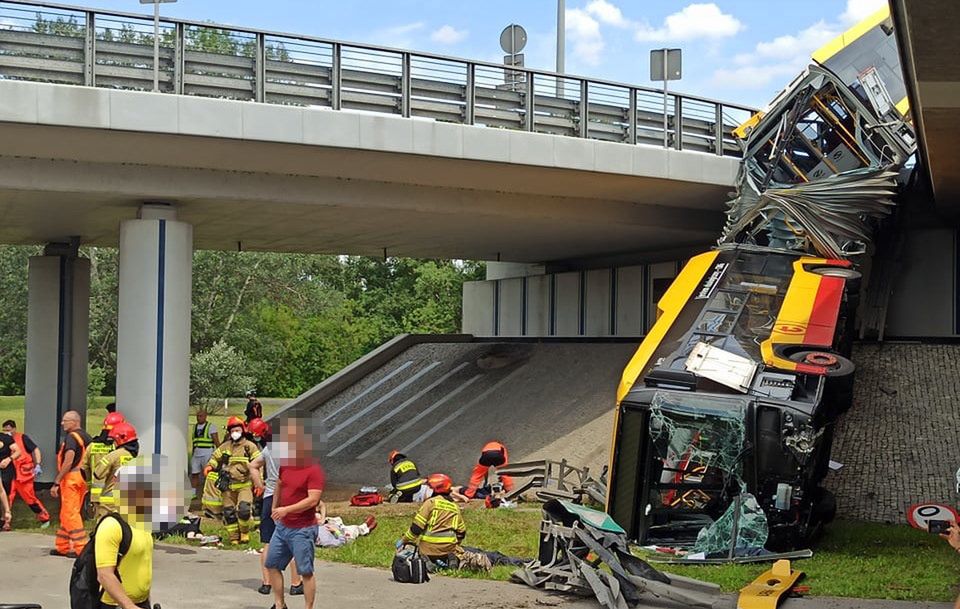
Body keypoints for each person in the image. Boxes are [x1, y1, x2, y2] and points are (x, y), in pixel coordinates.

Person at [265, 416, 324, 609]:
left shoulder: (314, 470)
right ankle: (279, 604)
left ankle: (308, 607)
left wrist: (285, 509)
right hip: (283, 527)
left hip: (303, 528)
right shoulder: (286, 465)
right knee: (271, 564)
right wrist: (274, 507)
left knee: (305, 571)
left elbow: (313, 500)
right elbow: (279, 485)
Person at [249, 418, 304, 597]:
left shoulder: (268, 450)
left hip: (269, 498)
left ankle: (266, 584)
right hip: (288, 499)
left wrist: (260, 484)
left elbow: (253, 465)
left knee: (268, 542)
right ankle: (296, 584)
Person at [203, 416, 263, 545]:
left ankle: (244, 532)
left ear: (243, 430)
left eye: (237, 430)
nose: (234, 433)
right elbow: (215, 457)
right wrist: (210, 466)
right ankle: (234, 537)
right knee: (229, 513)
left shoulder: (250, 446)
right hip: (228, 486)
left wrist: (259, 483)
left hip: (244, 485)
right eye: (232, 431)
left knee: (244, 509)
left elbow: (259, 465)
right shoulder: (226, 446)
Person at [51, 410, 92, 557]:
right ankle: (62, 546)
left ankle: (81, 548)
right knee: (68, 512)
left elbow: (68, 461)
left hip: (71, 478)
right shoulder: (87, 437)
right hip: (82, 478)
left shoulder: (71, 438)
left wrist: (57, 480)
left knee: (71, 513)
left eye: (65, 420)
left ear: (74, 421)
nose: (62, 423)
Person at [1, 419, 50, 527]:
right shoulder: (3, 440)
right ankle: (5, 522)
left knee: (30, 497)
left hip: (23, 475)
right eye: (4, 430)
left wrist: (38, 464)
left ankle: (44, 518)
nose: (7, 433)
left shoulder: (22, 438)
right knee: (7, 497)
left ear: (14, 429)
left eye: (9, 430)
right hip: (9, 474)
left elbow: (35, 449)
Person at [94, 422, 140, 519]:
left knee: (103, 528)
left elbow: (98, 473)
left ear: (120, 439)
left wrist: (106, 457)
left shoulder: (114, 455)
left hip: (110, 502)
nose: (113, 443)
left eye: (114, 440)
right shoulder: (133, 456)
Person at [87, 412, 125, 518]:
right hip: (114, 491)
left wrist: (88, 483)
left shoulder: (92, 446)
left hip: (96, 491)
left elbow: (84, 467)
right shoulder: (120, 447)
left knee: (100, 520)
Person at [189, 409, 219, 497]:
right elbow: (194, 441)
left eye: (201, 416)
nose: (198, 418)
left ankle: (208, 492)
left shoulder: (210, 426)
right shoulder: (194, 427)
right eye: (197, 416)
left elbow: (216, 441)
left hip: (207, 452)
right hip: (197, 453)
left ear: (205, 416)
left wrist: (219, 454)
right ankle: (193, 493)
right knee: (194, 473)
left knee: (208, 473)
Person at [0, 425, 22, 506]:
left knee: (5, 492)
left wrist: (9, 459)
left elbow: (18, 451)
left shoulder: (5, 438)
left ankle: (5, 514)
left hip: (6, 470)